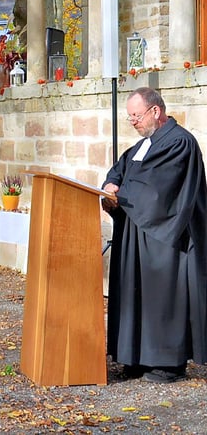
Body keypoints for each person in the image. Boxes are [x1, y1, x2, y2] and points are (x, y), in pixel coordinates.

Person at [102, 87, 207, 383]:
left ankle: (167, 363)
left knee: (162, 299)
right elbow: (121, 169)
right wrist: (110, 185)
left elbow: (158, 187)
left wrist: (122, 195)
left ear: (155, 111)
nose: (133, 122)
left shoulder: (180, 142)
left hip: (166, 238)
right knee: (135, 296)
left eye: (136, 116)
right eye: (130, 117)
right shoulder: (143, 145)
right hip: (136, 235)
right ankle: (135, 357)